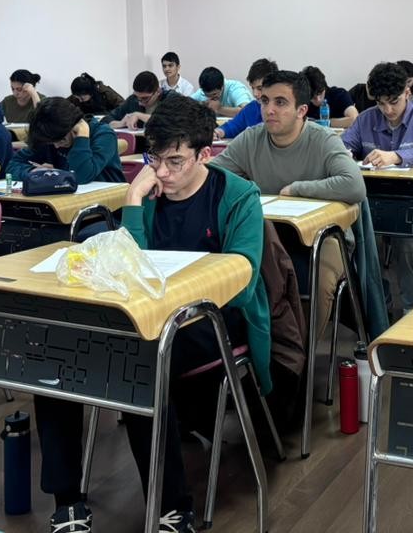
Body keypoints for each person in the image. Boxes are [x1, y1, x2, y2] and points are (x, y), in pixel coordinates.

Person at [34, 97, 267, 533]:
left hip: (210, 320)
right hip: (147, 319)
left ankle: (172, 507)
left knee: (139, 365)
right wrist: (134, 198)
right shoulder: (150, 193)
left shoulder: (237, 196)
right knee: (58, 360)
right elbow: (130, 267)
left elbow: (243, 281)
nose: (162, 172)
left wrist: (172, 294)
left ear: (204, 154)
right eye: (154, 159)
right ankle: (68, 501)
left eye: (175, 161)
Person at [209, 70, 372, 335]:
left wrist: (298, 189)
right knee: (229, 272)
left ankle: (299, 354)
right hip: (268, 235)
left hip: (323, 239)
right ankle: (254, 346)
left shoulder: (323, 140)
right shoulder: (251, 138)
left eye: (280, 102)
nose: (269, 110)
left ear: (301, 110)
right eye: (264, 101)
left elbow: (354, 185)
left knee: (317, 281)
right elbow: (211, 177)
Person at [344, 62, 413, 313]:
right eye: (381, 103)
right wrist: (344, 154)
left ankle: (412, 308)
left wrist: (396, 156)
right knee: (357, 238)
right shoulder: (366, 119)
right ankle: (380, 305)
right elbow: (343, 147)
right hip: (374, 200)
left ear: (407, 92)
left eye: (394, 101)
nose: (387, 110)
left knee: (407, 241)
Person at [7, 97, 124, 183]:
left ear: (74, 126)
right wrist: (31, 171)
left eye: (61, 140)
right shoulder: (50, 135)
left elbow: (81, 177)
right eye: (52, 142)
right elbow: (12, 166)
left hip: (108, 202)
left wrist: (82, 137)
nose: (56, 146)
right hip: (67, 199)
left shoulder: (103, 135)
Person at [213, 58, 278, 141]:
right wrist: (217, 132)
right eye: (252, 88)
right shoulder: (251, 108)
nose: (255, 94)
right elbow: (233, 126)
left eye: (260, 88)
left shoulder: (282, 109)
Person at [106, 71, 175, 129]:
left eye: (145, 98)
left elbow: (171, 120)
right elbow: (106, 119)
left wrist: (139, 115)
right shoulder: (132, 100)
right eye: (137, 97)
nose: (140, 103)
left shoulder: (171, 98)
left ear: (158, 91)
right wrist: (121, 123)